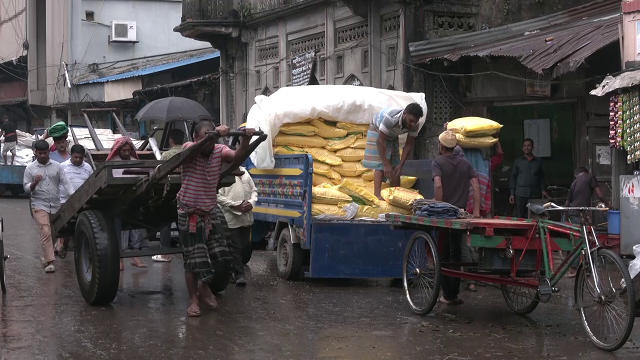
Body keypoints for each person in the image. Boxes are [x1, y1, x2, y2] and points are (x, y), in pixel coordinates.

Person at [177, 120, 254, 317]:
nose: (210, 142)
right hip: (189, 212)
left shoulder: (218, 149)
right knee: (192, 261)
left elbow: (237, 157)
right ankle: (193, 301)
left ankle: (204, 285)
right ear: (196, 138)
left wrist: (246, 139)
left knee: (221, 255)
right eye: (206, 136)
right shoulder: (188, 148)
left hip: (209, 212)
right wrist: (215, 135)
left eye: (212, 137)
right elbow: (194, 149)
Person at [432, 131, 480, 305]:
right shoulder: (466, 164)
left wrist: (438, 207)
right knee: (457, 252)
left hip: (445, 215)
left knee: (444, 253)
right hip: (460, 214)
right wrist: (476, 211)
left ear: (442, 146)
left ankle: (447, 295)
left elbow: (438, 184)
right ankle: (454, 294)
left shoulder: (438, 162)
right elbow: (475, 186)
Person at [23, 140, 75, 273]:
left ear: (49, 152)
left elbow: (66, 183)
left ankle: (47, 256)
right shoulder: (30, 168)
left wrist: (74, 197)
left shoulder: (58, 166)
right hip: (39, 204)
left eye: (45, 153)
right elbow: (26, 188)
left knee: (53, 232)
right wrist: (34, 183)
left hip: (55, 204)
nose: (42, 156)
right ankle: (50, 262)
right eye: (40, 153)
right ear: (35, 152)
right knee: (45, 231)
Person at [362, 103, 424, 200]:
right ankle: (377, 195)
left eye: (414, 121)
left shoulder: (415, 124)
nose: (412, 124)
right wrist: (386, 164)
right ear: (404, 114)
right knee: (380, 164)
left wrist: (401, 165)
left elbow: (408, 144)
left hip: (393, 134)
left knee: (395, 164)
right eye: (410, 120)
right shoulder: (391, 118)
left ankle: (396, 194)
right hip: (377, 129)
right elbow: (380, 141)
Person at [106, 136, 147, 269]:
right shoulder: (112, 163)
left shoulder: (136, 162)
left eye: (128, 150)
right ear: (118, 150)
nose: (126, 153)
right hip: (117, 203)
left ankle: (135, 257)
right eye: (123, 150)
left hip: (133, 202)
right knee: (119, 230)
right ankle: (120, 259)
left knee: (136, 227)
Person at [564, 167, 609, 277]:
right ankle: (574, 269)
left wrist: (565, 219)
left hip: (573, 213)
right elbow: (600, 195)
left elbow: (567, 203)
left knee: (583, 240)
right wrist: (609, 204)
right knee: (581, 241)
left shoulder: (574, 182)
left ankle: (586, 267)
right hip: (578, 214)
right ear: (586, 172)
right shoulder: (590, 177)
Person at [217, 165, 258, 287]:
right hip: (231, 218)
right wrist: (234, 205)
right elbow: (217, 196)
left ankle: (230, 273)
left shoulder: (244, 172)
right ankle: (240, 275)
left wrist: (251, 203)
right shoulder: (222, 173)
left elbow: (254, 191)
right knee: (237, 247)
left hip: (246, 217)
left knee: (244, 245)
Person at [152, 129, 185, 263]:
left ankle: (165, 253)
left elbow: (159, 174)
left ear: (171, 141)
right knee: (181, 222)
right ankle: (186, 250)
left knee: (165, 219)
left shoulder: (166, 155)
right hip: (184, 193)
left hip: (169, 193)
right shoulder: (187, 153)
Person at [55, 145, 93, 258]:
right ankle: (62, 245)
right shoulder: (62, 166)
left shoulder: (87, 168)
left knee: (78, 226)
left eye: (80, 158)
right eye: (75, 157)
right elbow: (56, 184)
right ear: (71, 155)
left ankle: (76, 249)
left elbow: (91, 183)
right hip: (65, 201)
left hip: (82, 202)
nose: (78, 160)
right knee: (65, 226)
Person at [509, 138, 549, 218]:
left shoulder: (538, 161)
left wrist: (543, 190)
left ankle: (533, 231)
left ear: (532, 147)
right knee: (520, 216)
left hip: (535, 193)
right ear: (522, 148)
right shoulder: (518, 161)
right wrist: (512, 193)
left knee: (535, 215)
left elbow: (541, 177)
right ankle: (522, 231)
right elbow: (513, 177)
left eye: (529, 145)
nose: (526, 147)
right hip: (520, 193)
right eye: (524, 146)